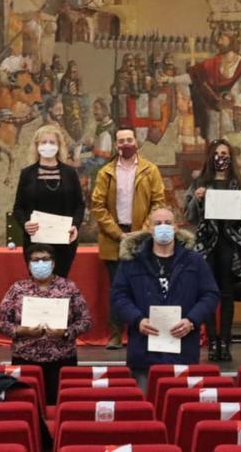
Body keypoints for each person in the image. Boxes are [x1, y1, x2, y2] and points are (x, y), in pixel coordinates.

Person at [111, 208, 220, 381]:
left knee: (180, 405)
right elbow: (118, 296)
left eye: (168, 223)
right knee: (146, 406)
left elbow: (210, 295)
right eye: (158, 223)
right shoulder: (132, 261)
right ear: (149, 229)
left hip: (183, 352)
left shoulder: (195, 261)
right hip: (143, 354)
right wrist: (137, 320)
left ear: (176, 227)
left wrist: (191, 321)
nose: (163, 227)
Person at [91, 126, 167, 349]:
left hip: (143, 238)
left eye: (129, 139)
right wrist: (118, 233)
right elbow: (98, 206)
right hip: (113, 238)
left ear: (137, 142)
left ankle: (142, 334)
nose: (126, 144)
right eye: (121, 141)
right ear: (116, 145)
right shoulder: (105, 172)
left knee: (144, 286)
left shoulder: (150, 170)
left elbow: (159, 203)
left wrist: (142, 231)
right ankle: (115, 334)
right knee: (118, 288)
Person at [185, 139, 241, 362]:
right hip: (207, 245)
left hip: (230, 246)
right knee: (208, 293)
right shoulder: (200, 183)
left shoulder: (239, 183)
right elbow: (189, 216)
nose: (221, 157)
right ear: (210, 157)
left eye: (225, 153)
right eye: (217, 153)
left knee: (227, 294)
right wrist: (196, 200)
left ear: (230, 157)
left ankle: (225, 341)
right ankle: (212, 341)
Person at [0, 243, 92, 404]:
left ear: (53, 263)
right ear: (29, 264)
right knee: (26, 406)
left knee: (60, 405)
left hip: (62, 359)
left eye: (45, 259)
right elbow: (0, 321)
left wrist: (65, 333)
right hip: (25, 358)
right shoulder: (18, 289)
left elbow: (86, 320)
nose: (41, 263)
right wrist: (21, 330)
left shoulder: (68, 287)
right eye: (35, 260)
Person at [13, 124, 85, 278]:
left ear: (59, 146)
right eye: (43, 142)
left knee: (60, 283)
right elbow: (18, 208)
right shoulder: (27, 174)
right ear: (36, 145)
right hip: (35, 240)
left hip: (64, 240)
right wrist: (25, 224)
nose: (48, 146)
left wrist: (75, 226)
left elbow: (79, 205)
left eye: (52, 142)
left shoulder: (70, 173)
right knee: (38, 283)